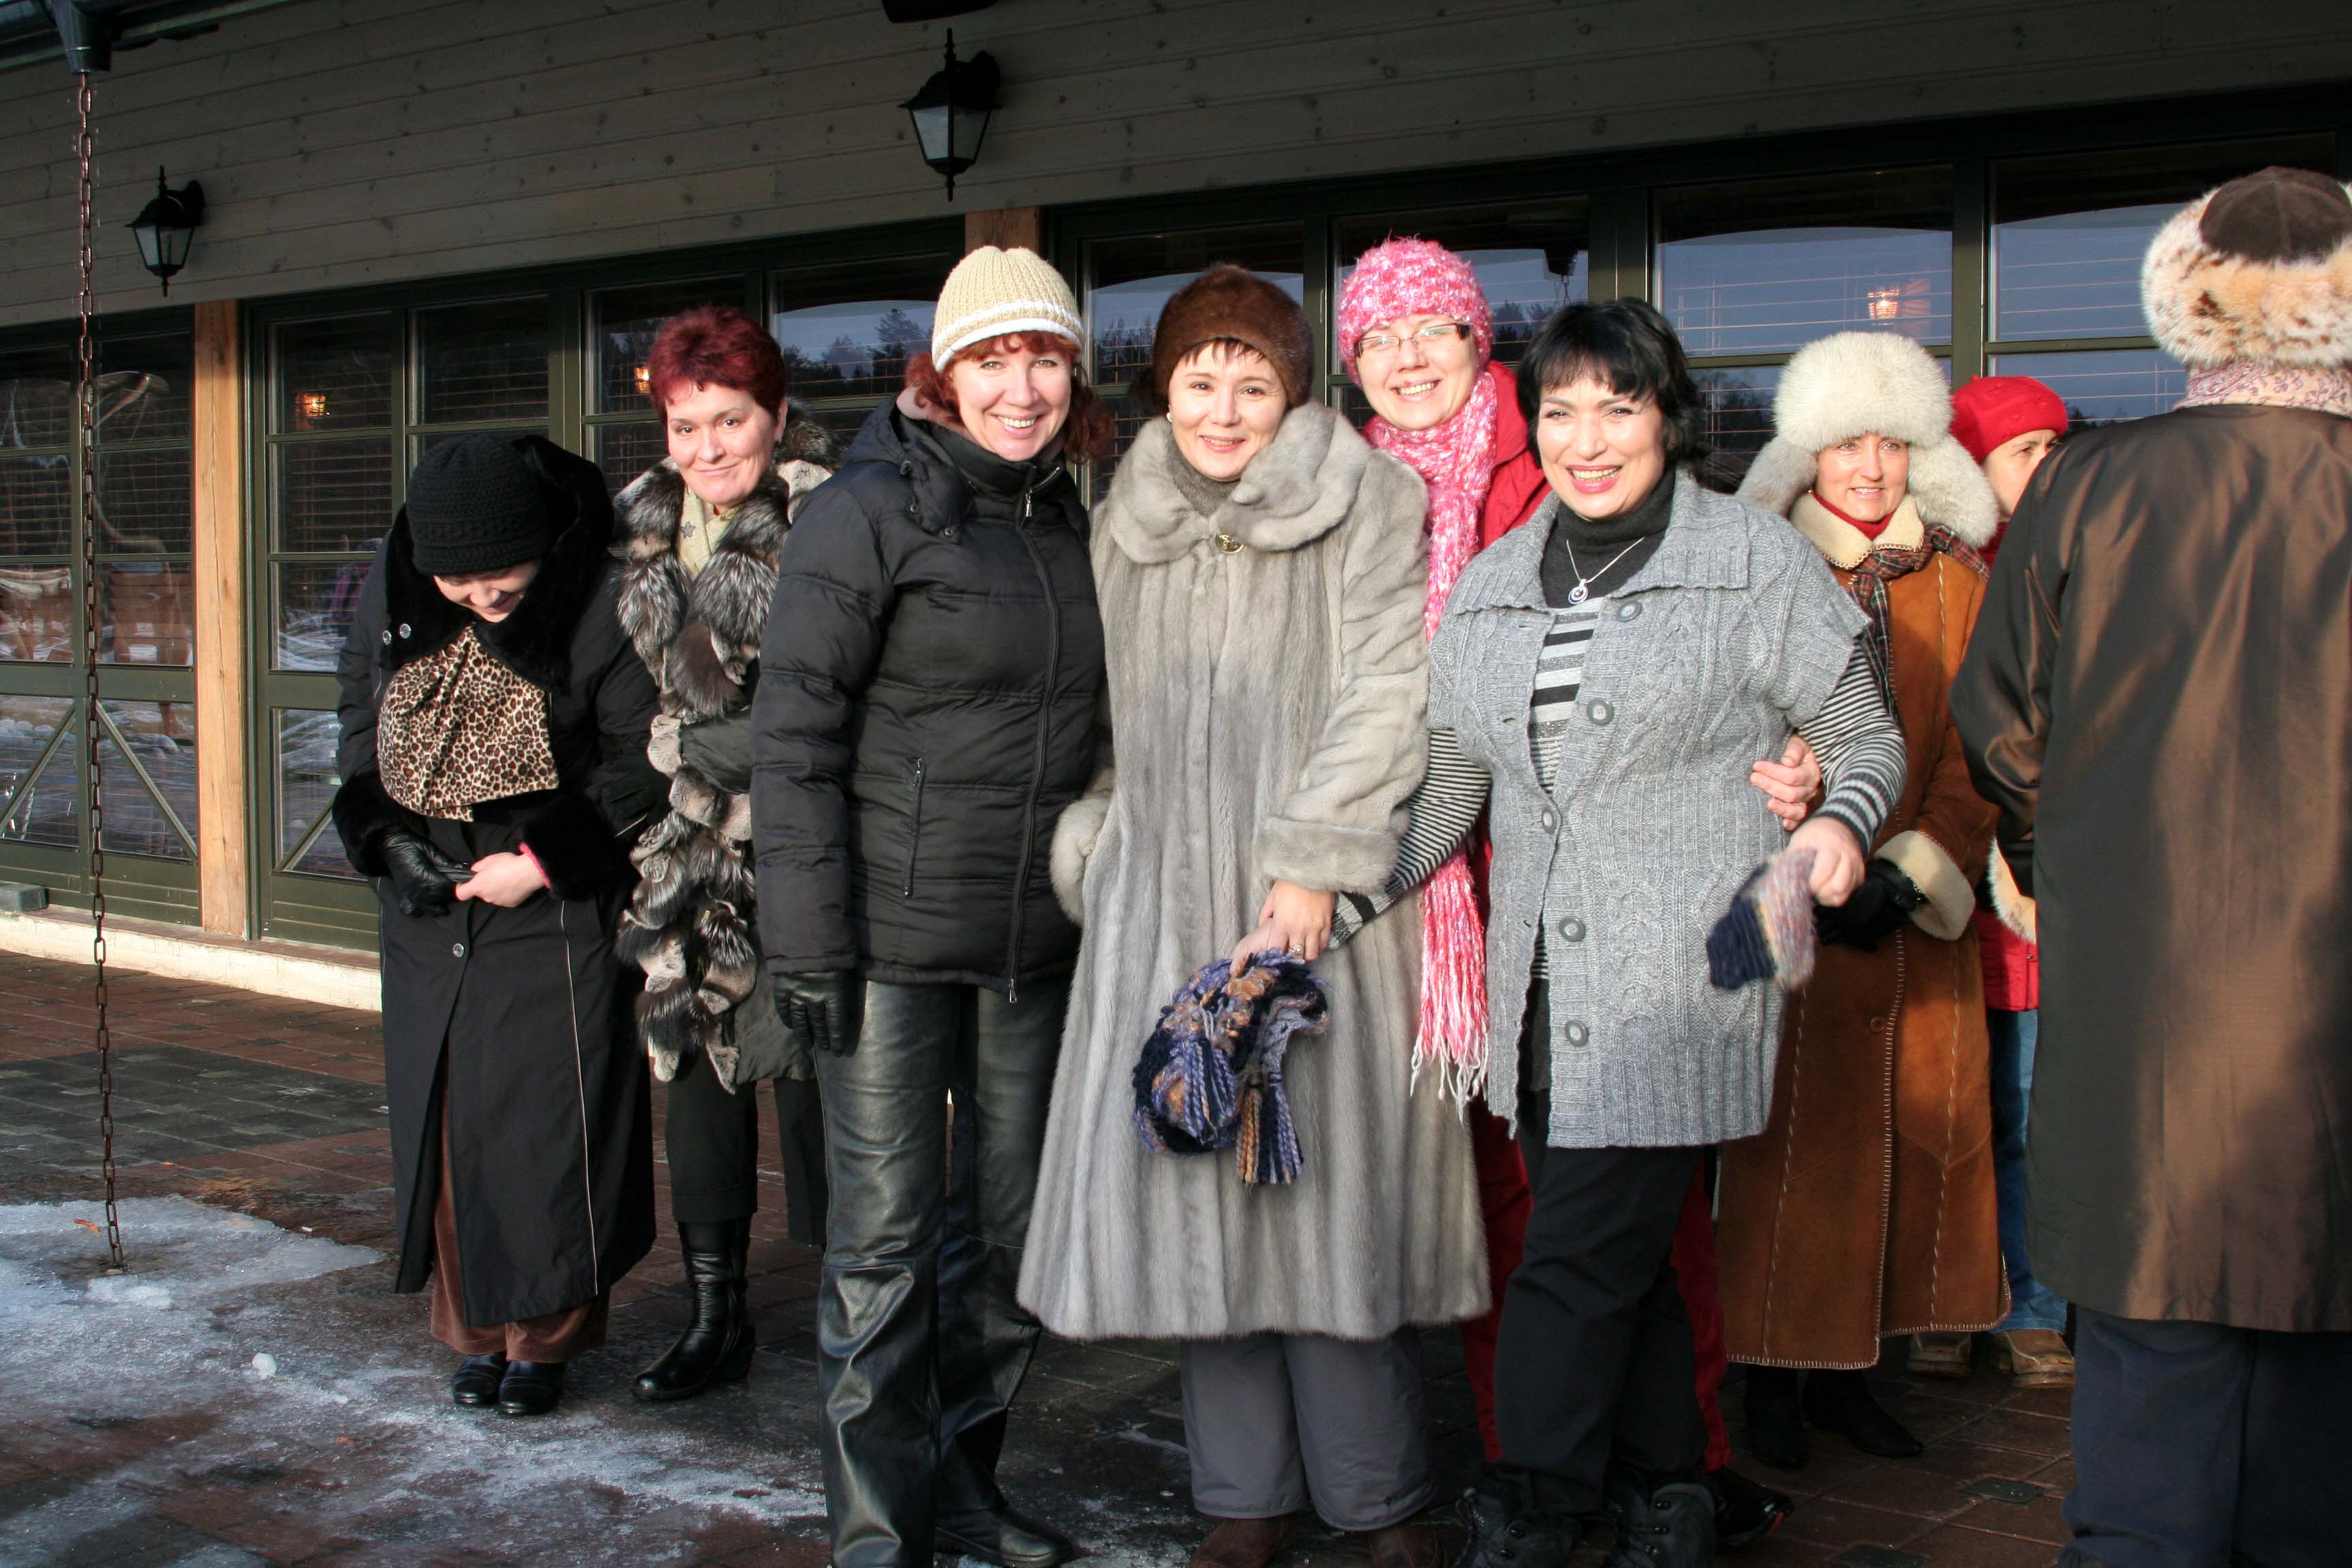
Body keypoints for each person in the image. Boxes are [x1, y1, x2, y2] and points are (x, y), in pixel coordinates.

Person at [1321, 297, 1906, 1568]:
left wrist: (1837, 822)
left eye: (1618, 408)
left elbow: (1866, 733)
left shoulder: (1750, 559)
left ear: (1669, 418)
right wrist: (1337, 898)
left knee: (1573, 1257)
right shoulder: (1496, 580)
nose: (1587, 439)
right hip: (1542, 982)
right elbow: (1454, 786)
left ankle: (1531, 1504)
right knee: (1628, 1255)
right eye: (1562, 411)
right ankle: (1669, 1495)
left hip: (1701, 963)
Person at [1019, 263, 1485, 1568]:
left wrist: (1315, 860)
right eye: (1199, 380)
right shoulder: (1123, 521)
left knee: (1329, 1206)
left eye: (1254, 384)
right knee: (1199, 1204)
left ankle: (1379, 1502)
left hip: (1320, 910)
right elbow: (1101, 714)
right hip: (1164, 899)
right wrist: (1100, 838)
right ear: (1163, 389)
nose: (1224, 411)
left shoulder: (1367, 499)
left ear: (1295, 393)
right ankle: (1242, 1500)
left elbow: (1392, 689)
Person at [1953, 164, 2352, 1568]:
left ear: (2188, 302)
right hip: (2332, 1034)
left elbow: (2001, 722)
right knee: (2320, 1442)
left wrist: (2062, 869)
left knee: (2145, 1430)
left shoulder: (2090, 483)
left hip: (2145, 1018)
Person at [749, 245, 1110, 1568]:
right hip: (886, 949)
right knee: (885, 1250)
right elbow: (793, 738)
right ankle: (875, 1534)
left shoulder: (1070, 516)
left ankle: (963, 1481)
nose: (1022, 387)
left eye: (1045, 358)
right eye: (993, 359)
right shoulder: (866, 510)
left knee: (1014, 1244)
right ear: (944, 374)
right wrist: (806, 942)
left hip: (1030, 944)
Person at [1717, 331, 2006, 1470]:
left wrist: (1917, 869)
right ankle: (1770, 1379)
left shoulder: (1960, 581)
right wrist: (1800, 855)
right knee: (1788, 1152)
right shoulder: (1759, 569)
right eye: (1847, 445)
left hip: (1915, 920)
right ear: (1808, 455)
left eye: (1891, 444)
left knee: (1904, 1144)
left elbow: (1986, 746)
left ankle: (1853, 1379)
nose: (1871, 468)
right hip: (1792, 906)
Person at [331, 432, 665, 1418]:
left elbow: (645, 757)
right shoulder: (401, 584)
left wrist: (545, 861)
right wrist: (385, 840)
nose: (482, 596)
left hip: (551, 897)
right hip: (432, 895)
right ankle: (473, 1331)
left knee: (546, 1129)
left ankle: (544, 1339)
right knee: (447, 1128)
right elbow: (358, 713)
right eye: (459, 582)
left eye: (502, 576)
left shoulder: (601, 595)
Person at [611, 304, 839, 1404]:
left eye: (731, 420)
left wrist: (703, 744)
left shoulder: (832, 521)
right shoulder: (642, 535)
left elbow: (851, 695)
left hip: (810, 842)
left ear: (776, 416)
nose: (708, 448)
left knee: (824, 1078)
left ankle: (861, 1315)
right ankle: (717, 1314)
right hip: (689, 854)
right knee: (699, 1069)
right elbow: (619, 693)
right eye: (686, 424)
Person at [1906, 373, 2074, 1390]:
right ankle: (1950, 1300)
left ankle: (2033, 1306)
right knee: (1955, 1110)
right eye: (2023, 450)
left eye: (2055, 446)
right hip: (1953, 889)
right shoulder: (1948, 574)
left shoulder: (2088, 560)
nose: (2045, 466)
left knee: (2038, 1110)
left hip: (2052, 893)